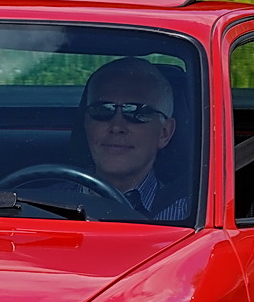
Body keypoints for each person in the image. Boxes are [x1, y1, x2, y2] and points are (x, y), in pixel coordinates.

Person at [80, 57, 188, 222]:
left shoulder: (188, 219)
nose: (116, 126)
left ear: (164, 133)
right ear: (86, 124)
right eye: (102, 110)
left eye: (137, 113)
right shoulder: (42, 204)